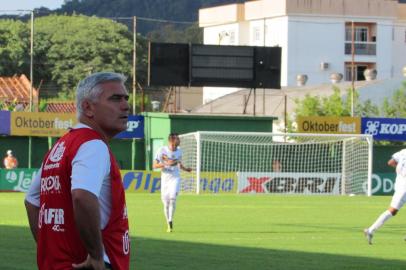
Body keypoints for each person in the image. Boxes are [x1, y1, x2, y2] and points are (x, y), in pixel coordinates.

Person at [24, 72, 131, 270]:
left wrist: (50, 251)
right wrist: (96, 256)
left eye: (126, 98)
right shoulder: (93, 145)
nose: (125, 105)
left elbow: (32, 201)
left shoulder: (61, 145)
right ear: (88, 107)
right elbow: (82, 196)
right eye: (115, 99)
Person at [364, 149, 406, 245]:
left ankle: (370, 230)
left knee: (393, 211)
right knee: (392, 210)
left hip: (400, 183)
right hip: (404, 187)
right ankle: (370, 230)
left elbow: (390, 162)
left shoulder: (403, 151)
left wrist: (400, 171)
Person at [153, 133, 192, 233]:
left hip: (175, 177)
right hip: (165, 178)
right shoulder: (162, 150)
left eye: (178, 141)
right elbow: (154, 165)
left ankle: (171, 219)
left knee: (172, 198)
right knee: (165, 203)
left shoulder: (179, 151)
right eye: (177, 140)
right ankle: (168, 223)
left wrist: (186, 169)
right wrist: (165, 164)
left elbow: (179, 163)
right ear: (171, 141)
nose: (178, 142)